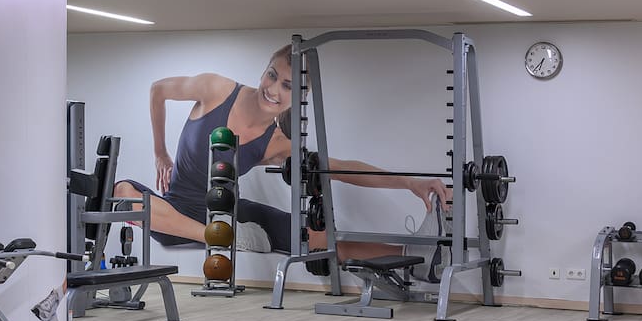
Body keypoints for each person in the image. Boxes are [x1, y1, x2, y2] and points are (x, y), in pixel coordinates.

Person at [113, 44, 450, 256]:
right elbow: (158, 90)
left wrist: (410, 182)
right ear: (264, 71)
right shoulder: (216, 89)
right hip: (177, 212)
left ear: (299, 97)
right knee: (123, 192)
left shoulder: (275, 143)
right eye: (272, 75)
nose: (273, 89)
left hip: (229, 212)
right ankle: (217, 237)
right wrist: (160, 152)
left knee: (315, 236)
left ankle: (412, 258)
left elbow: (338, 168)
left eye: (287, 86)